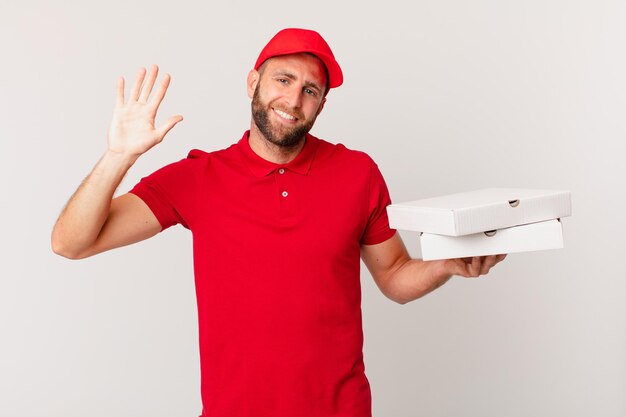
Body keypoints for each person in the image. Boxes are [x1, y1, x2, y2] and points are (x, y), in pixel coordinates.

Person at [52, 28, 506, 417]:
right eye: (283, 79)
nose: (293, 99)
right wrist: (118, 157)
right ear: (253, 81)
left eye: (311, 90)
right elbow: (70, 243)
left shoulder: (357, 173)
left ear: (322, 104)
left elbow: (393, 276)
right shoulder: (198, 178)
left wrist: (446, 264)